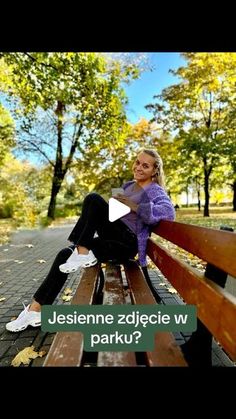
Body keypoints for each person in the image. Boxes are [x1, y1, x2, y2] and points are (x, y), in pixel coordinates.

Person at [6, 149, 175, 332]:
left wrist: (133, 205)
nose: (139, 167)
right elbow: (114, 216)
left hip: (127, 243)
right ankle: (35, 310)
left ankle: (82, 252)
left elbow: (168, 212)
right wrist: (114, 206)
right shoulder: (127, 186)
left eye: (145, 165)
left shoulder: (155, 191)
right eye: (137, 162)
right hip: (112, 238)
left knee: (93, 199)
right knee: (65, 254)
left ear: (154, 170)